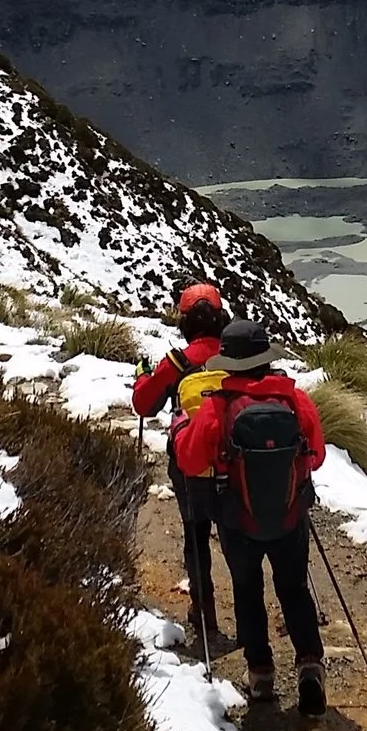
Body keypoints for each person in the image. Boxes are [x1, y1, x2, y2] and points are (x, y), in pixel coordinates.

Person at [175, 318, 328, 715]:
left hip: (237, 518)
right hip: (290, 514)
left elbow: (190, 461)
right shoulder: (294, 400)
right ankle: (310, 664)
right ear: (265, 358)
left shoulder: (217, 407)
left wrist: (180, 429)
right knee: (293, 588)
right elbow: (318, 454)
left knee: (247, 590)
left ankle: (261, 674)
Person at [133, 279, 234, 654]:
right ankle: (248, 615)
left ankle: (203, 608)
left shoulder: (177, 362)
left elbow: (144, 405)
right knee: (236, 536)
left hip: (191, 465)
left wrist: (144, 376)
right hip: (232, 461)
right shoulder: (236, 356)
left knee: (195, 534)